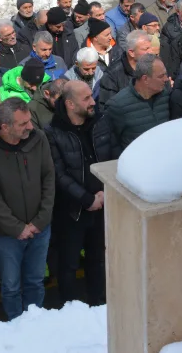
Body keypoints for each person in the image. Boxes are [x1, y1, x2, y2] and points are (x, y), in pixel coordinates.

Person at [0, 97, 55, 321]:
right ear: (5, 126)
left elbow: (49, 178)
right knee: (10, 286)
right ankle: (16, 327)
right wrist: (17, 228)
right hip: (6, 235)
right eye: (23, 124)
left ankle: (34, 325)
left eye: (29, 121)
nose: (30, 127)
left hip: (40, 229)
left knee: (35, 282)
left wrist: (40, 221)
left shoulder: (38, 138)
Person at [46, 81, 112, 306]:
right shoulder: (52, 132)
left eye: (91, 96)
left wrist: (104, 193)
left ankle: (99, 305)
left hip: (102, 205)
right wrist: (87, 199)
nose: (93, 102)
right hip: (72, 212)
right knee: (69, 265)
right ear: (70, 104)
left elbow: (111, 157)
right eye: (86, 98)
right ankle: (70, 310)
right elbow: (58, 174)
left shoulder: (101, 122)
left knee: (98, 260)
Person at [99, 55, 171, 151]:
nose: (166, 79)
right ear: (145, 79)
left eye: (165, 74)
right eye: (161, 76)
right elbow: (109, 143)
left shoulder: (166, 96)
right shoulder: (118, 105)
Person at [98, 30, 153, 104]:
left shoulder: (155, 66)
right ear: (131, 53)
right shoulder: (112, 75)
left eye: (150, 47)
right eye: (146, 49)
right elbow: (108, 106)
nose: (151, 52)